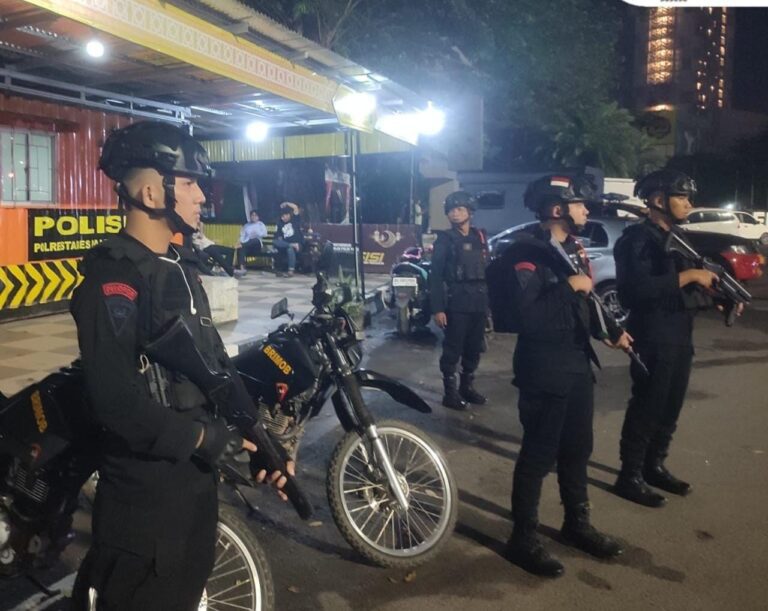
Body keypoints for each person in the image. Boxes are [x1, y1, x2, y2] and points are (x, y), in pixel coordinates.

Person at [69, 121, 291, 610]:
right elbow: (115, 401)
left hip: (193, 489)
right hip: (144, 507)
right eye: (189, 183)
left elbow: (214, 365)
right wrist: (205, 440)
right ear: (151, 193)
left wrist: (258, 439)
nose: (201, 196)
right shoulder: (114, 278)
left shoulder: (179, 270)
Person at [501, 175, 630, 577]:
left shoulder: (573, 248)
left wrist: (610, 332)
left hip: (576, 364)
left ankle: (577, 524)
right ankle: (523, 538)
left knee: (577, 450)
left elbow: (584, 305)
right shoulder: (527, 253)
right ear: (558, 209)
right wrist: (569, 286)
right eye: (579, 204)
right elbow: (527, 317)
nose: (586, 210)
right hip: (543, 368)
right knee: (538, 455)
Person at [612, 169, 731, 507]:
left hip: (680, 332)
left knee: (670, 405)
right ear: (658, 200)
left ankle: (654, 466)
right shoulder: (636, 240)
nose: (689, 204)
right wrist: (689, 275)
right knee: (648, 404)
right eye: (682, 197)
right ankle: (629, 475)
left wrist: (716, 297)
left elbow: (686, 289)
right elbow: (634, 292)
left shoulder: (679, 238)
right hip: (652, 334)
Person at [429, 190, 488, 410]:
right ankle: (450, 393)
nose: (455, 213)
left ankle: (466, 387)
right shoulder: (445, 240)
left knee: (474, 347)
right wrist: (438, 309)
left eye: (460, 209)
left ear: (470, 212)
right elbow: (435, 276)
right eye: (451, 210)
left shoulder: (479, 237)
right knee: (453, 349)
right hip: (457, 302)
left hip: (479, 301)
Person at [273, 201, 303, 277]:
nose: (283, 218)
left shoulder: (295, 220)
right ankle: (291, 245)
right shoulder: (280, 224)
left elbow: (295, 207)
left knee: (290, 249)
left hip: (297, 244)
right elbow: (277, 238)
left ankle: (291, 270)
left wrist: (286, 203)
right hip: (287, 244)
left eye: (284, 216)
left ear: (288, 215)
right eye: (282, 217)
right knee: (275, 242)